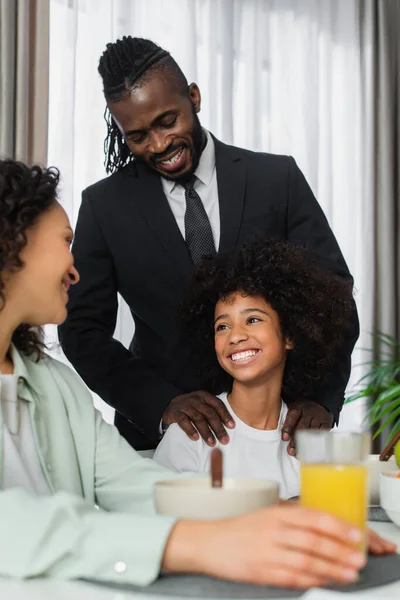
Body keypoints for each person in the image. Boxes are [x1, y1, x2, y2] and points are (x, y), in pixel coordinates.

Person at [1, 159, 394, 588]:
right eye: (64, 242)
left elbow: (133, 482)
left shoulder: (54, 385)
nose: (76, 268)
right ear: (13, 248)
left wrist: (275, 514)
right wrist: (198, 543)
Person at [59, 36, 359, 451]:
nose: (159, 145)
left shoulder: (276, 180)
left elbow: (336, 297)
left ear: (194, 98)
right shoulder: (104, 205)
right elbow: (81, 330)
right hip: (163, 440)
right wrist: (159, 404)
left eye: (167, 121)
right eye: (138, 136)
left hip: (279, 431)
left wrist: (321, 399)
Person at [154, 238, 354, 498]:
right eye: (222, 326)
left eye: (252, 319)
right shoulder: (189, 435)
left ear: (290, 336)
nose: (235, 336)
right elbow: (160, 526)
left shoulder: (311, 439)